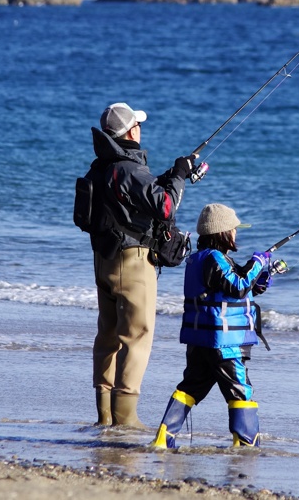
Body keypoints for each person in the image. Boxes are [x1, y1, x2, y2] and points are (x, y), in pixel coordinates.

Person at [86, 102, 196, 428]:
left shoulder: (101, 167)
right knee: (137, 336)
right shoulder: (129, 170)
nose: (140, 129)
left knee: (107, 335)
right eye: (138, 124)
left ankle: (104, 415)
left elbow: (129, 202)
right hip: (132, 263)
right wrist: (179, 175)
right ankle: (125, 417)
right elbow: (165, 207)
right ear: (132, 131)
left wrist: (165, 178)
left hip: (103, 260)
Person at [151, 203, 276, 449]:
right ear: (222, 232)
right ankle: (246, 443)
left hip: (201, 342)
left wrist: (260, 280)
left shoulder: (203, 260)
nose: (236, 234)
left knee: (192, 386)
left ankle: (163, 440)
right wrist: (257, 262)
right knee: (241, 390)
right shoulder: (215, 259)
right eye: (234, 230)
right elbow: (239, 286)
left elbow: (236, 289)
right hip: (223, 345)